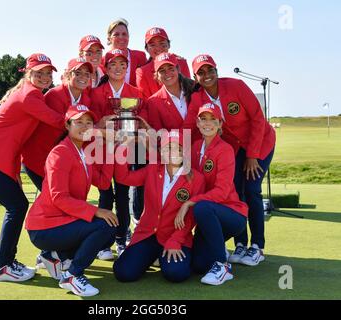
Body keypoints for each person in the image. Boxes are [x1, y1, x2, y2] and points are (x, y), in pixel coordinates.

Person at [0, 53, 65, 282]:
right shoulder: (29, 95)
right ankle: (4, 266)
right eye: (39, 72)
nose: (45, 77)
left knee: (17, 205)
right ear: (28, 73)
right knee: (17, 206)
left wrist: (14, 172)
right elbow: (58, 121)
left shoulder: (28, 93)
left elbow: (19, 140)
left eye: (48, 73)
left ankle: (7, 263)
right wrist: (85, 119)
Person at [187, 54, 276, 266]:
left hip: (260, 143)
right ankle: (240, 244)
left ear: (217, 70)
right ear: (195, 76)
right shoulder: (198, 98)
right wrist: (176, 149)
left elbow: (257, 119)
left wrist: (252, 155)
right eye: (201, 72)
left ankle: (257, 246)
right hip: (233, 149)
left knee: (252, 189)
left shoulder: (236, 86)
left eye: (210, 70)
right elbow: (188, 128)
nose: (207, 75)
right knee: (235, 191)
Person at [25, 104, 118, 297]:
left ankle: (55, 256)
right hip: (44, 227)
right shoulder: (60, 153)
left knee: (110, 228)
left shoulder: (82, 152)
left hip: (63, 221)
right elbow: (59, 197)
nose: (85, 127)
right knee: (104, 226)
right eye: (79, 122)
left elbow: (102, 182)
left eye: (89, 123)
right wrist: (95, 211)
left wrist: (110, 149)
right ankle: (72, 275)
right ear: (67, 126)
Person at [113, 131, 204, 283]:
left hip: (175, 236)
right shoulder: (152, 169)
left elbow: (191, 216)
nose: (173, 152)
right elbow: (124, 178)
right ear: (161, 151)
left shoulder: (196, 178)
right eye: (168, 148)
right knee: (123, 273)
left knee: (176, 274)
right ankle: (153, 256)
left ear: (185, 152)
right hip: (148, 234)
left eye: (178, 148)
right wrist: (124, 146)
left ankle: (174, 257)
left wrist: (176, 240)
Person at [175, 103, 248, 286]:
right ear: (197, 123)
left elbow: (222, 192)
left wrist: (190, 202)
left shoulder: (225, 149)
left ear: (220, 123)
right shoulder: (195, 146)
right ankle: (218, 250)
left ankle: (222, 266)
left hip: (232, 214)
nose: (208, 123)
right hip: (207, 214)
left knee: (201, 207)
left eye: (212, 119)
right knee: (198, 265)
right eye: (203, 119)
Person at [90, 49, 147, 260]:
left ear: (127, 67)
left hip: (128, 149)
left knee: (123, 195)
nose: (118, 68)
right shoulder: (96, 93)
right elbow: (91, 123)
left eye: (122, 65)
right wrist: (101, 124)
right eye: (113, 64)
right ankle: (104, 243)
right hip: (102, 149)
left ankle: (122, 239)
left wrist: (138, 153)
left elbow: (141, 122)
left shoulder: (136, 92)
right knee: (105, 194)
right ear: (105, 67)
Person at [22, 58, 93, 191]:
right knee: (55, 202)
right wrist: (99, 132)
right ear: (67, 75)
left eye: (87, 74)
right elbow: (66, 128)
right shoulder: (54, 95)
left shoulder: (86, 99)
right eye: (77, 73)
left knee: (60, 204)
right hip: (38, 157)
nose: (83, 77)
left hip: (58, 159)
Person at [147, 52, 196, 132]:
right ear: (157, 76)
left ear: (178, 70)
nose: (167, 73)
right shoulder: (153, 102)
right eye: (162, 71)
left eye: (171, 68)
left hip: (202, 144)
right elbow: (159, 136)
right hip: (174, 144)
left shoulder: (194, 90)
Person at [136, 27, 191, 99]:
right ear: (146, 49)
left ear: (169, 45)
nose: (158, 48)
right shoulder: (142, 72)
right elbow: (145, 101)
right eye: (152, 45)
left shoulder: (181, 63)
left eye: (162, 43)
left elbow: (189, 92)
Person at [106, 18, 147, 87]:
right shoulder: (103, 60)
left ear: (128, 36)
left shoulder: (140, 57)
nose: (121, 37)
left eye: (124, 34)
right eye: (116, 34)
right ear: (109, 38)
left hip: (135, 97)